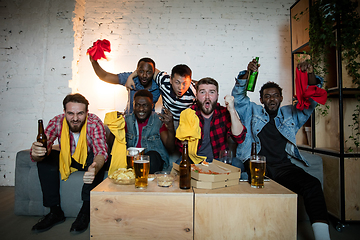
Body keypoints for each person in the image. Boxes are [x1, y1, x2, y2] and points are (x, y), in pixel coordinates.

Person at [232, 59, 331, 240]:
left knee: (313, 185)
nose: (272, 99)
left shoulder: (290, 114)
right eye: (267, 96)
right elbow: (238, 97)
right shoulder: (252, 111)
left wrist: (309, 74)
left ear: (281, 98)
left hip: (283, 168)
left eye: (275, 95)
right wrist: (247, 73)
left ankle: (323, 237)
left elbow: (310, 102)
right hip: (257, 167)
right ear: (261, 99)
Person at [30, 93, 108, 234]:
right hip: (68, 159)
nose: (75, 118)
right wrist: (37, 154)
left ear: (87, 113)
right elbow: (45, 146)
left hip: (87, 160)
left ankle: (85, 211)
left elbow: (101, 151)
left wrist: (94, 168)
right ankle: (55, 212)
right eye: (71, 113)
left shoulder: (94, 122)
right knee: (47, 158)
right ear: (64, 112)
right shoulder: (57, 122)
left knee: (96, 161)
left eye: (80, 113)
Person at [176, 77, 247, 169]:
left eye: (211, 92)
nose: (207, 96)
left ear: (217, 95)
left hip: (218, 161)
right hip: (195, 161)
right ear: (196, 95)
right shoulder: (188, 114)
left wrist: (232, 110)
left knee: (237, 164)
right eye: (202, 92)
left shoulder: (224, 112)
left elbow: (240, 138)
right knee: (177, 166)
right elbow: (180, 147)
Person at [105, 90, 175, 172]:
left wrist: (170, 128)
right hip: (131, 162)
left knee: (152, 156)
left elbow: (170, 148)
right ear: (133, 105)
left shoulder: (159, 120)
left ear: (152, 106)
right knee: (111, 159)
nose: (141, 109)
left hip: (152, 163)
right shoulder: (126, 120)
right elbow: (111, 146)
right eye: (137, 105)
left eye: (145, 105)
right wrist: (115, 126)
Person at [126, 64, 197, 128]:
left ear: (190, 81)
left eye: (184, 83)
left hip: (185, 122)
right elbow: (148, 67)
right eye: (177, 82)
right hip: (167, 119)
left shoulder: (195, 91)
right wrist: (131, 76)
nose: (180, 87)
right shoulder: (164, 82)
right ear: (171, 80)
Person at [89, 55, 160, 114]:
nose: (144, 75)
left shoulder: (158, 84)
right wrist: (93, 61)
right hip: (129, 121)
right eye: (141, 71)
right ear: (137, 71)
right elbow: (105, 76)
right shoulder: (131, 78)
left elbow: (168, 80)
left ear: (154, 73)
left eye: (148, 72)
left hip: (149, 123)